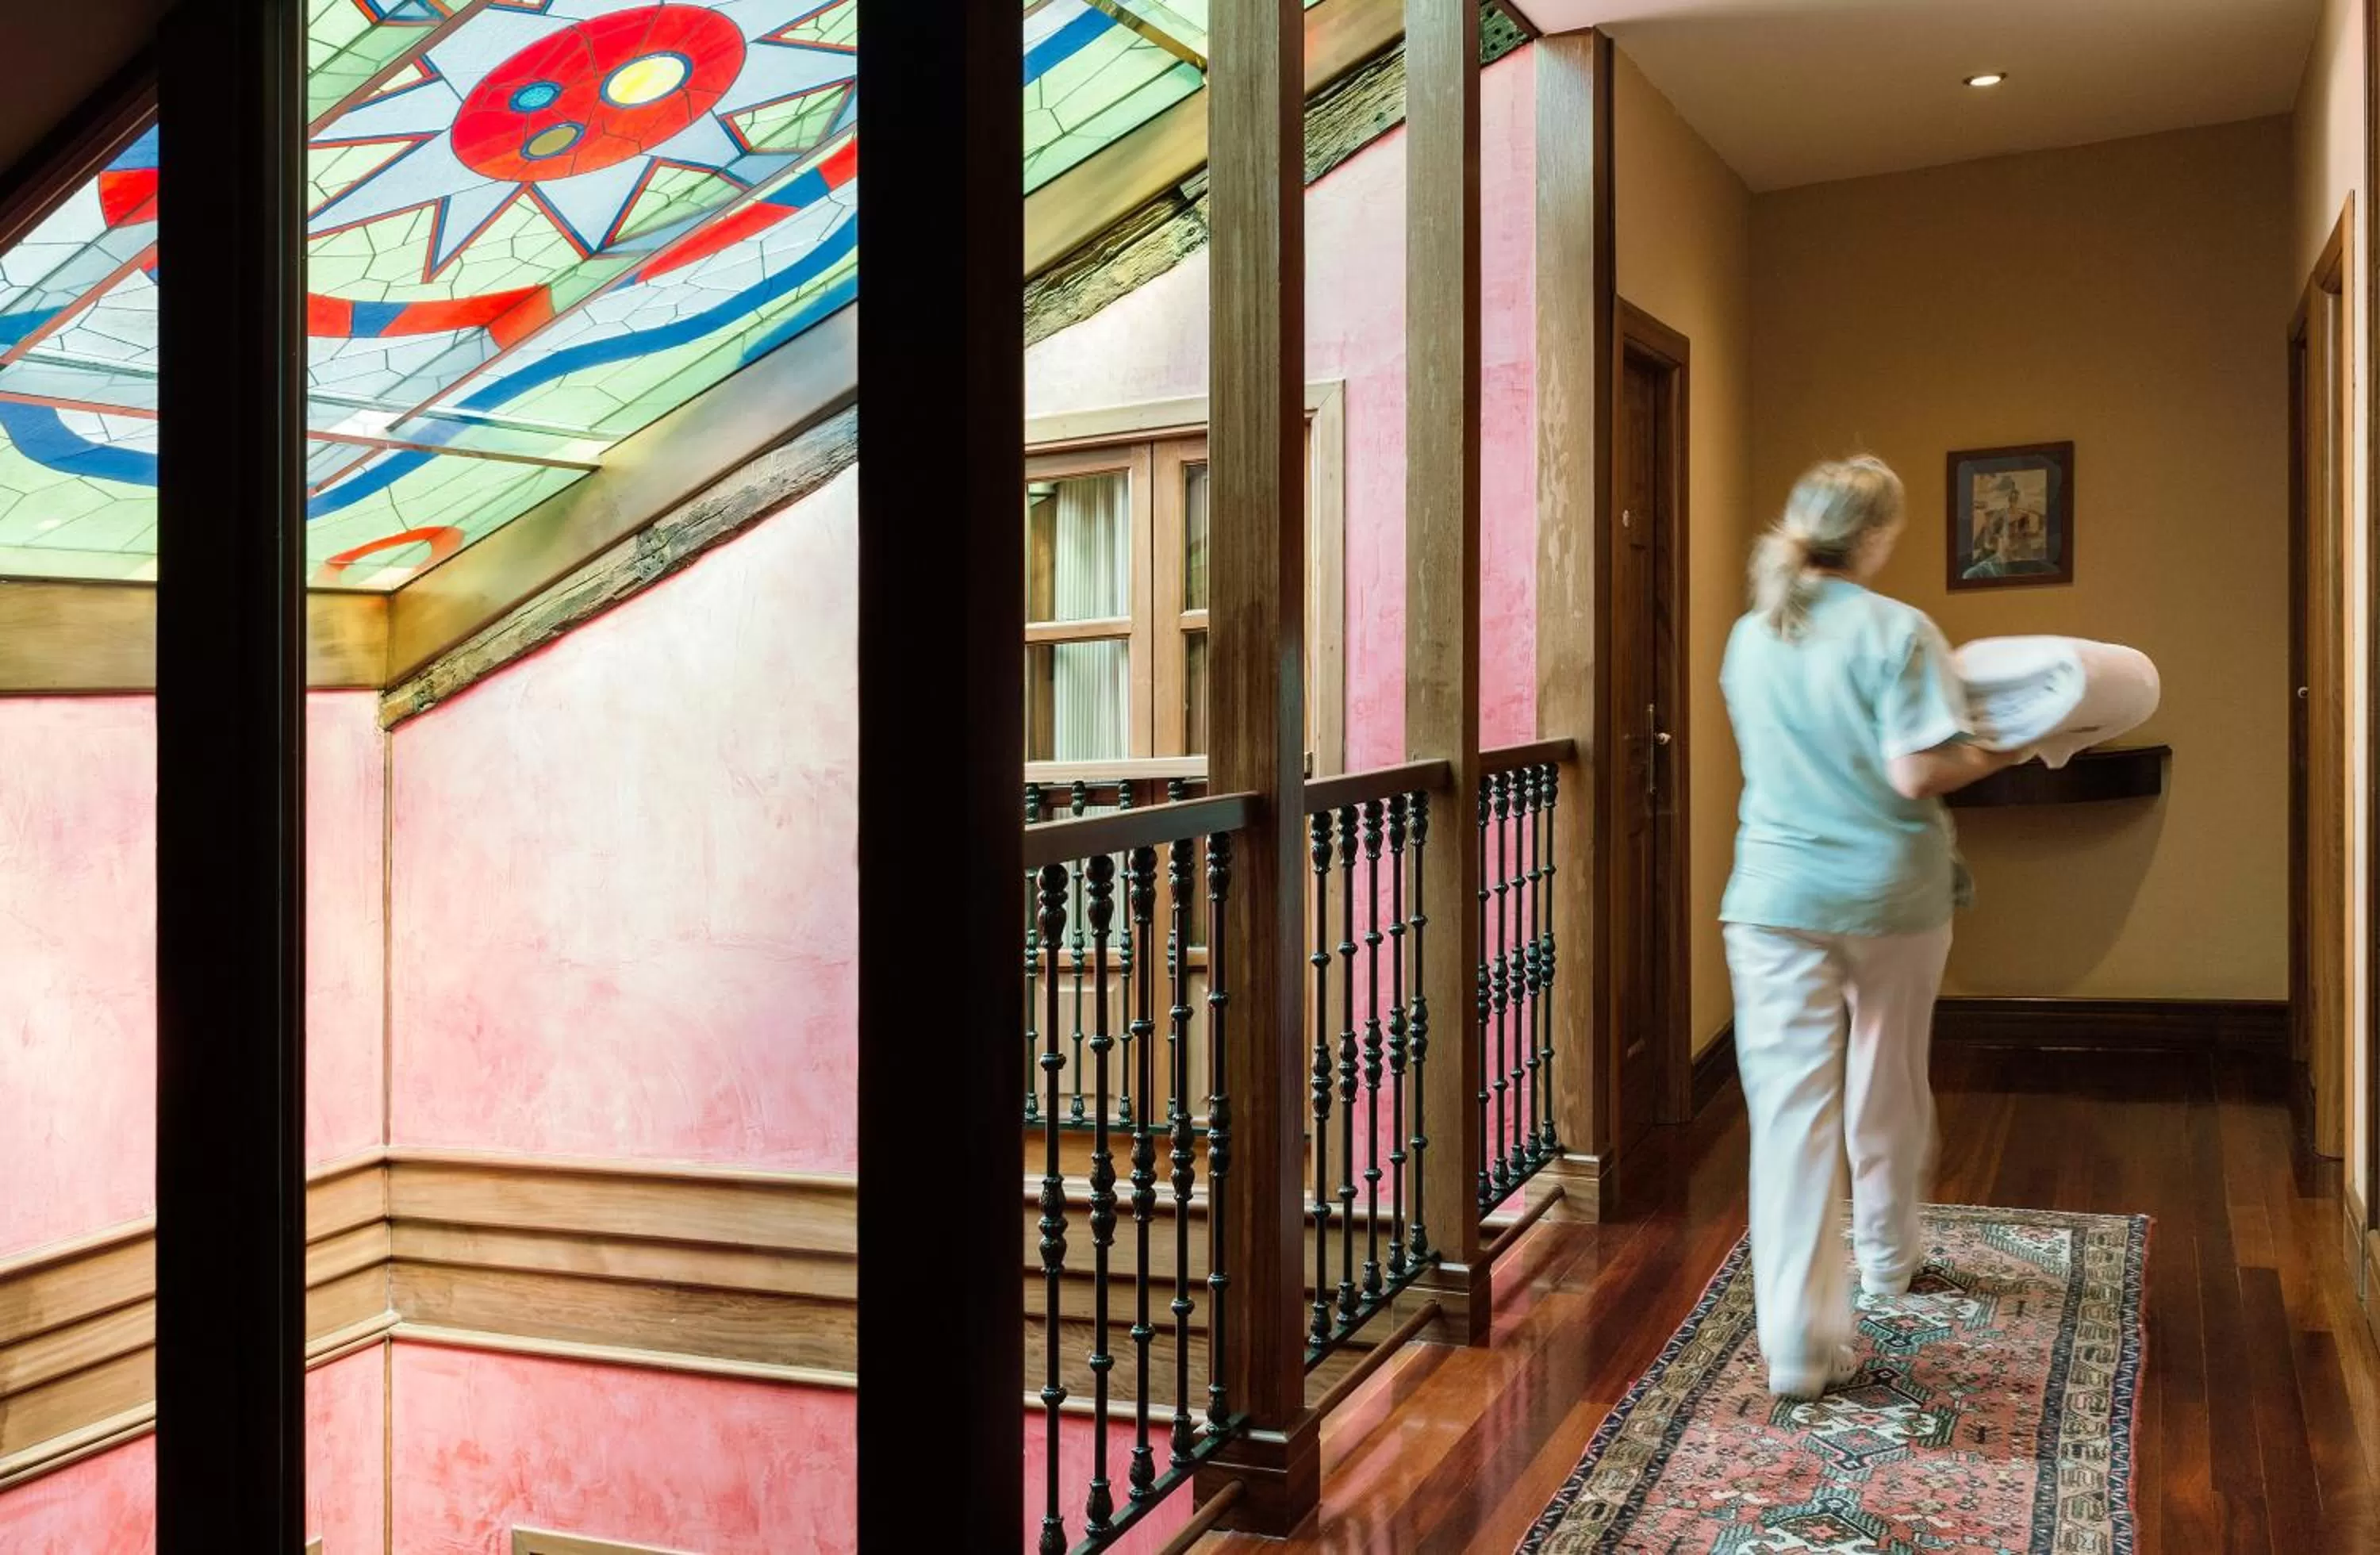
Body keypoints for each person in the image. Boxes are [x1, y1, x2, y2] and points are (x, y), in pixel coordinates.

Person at [1719, 455, 2033, 1400]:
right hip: (1890, 895)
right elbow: (1915, 772)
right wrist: (2009, 742)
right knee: (1886, 1074)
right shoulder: (1899, 629)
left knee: (1789, 1118)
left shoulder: (1749, 633)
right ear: (1881, 536)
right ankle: (1890, 1259)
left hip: (1772, 898)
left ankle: (1799, 1350)